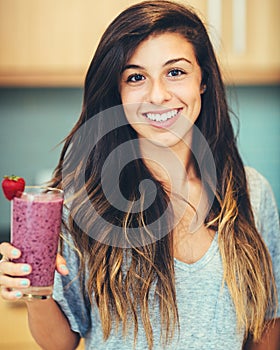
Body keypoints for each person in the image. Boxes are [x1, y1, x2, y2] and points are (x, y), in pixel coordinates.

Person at [0, 1, 279, 349]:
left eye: (175, 72)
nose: (158, 95)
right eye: (136, 77)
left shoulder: (252, 193)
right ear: (118, 93)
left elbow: (265, 325)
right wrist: (33, 291)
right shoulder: (82, 200)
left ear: (203, 80)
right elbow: (61, 342)